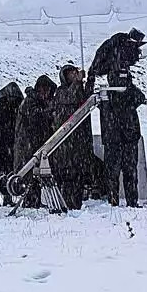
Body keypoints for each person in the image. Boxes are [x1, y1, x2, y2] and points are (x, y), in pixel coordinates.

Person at [49, 64, 94, 210]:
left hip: (80, 142)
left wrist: (90, 81)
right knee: (68, 175)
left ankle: (76, 203)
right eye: (71, 74)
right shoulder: (61, 92)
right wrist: (77, 83)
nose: (74, 76)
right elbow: (71, 99)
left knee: (78, 176)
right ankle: (67, 204)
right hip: (66, 144)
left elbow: (86, 99)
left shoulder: (77, 90)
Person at [99, 74, 146, 207]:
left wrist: (128, 87)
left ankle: (129, 201)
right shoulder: (107, 95)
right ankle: (116, 201)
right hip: (116, 139)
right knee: (116, 173)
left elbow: (141, 98)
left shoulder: (128, 93)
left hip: (123, 138)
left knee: (128, 172)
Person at [12, 75, 57, 208]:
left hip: (32, 145)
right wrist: (50, 111)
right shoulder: (30, 102)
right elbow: (36, 118)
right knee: (29, 174)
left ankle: (34, 200)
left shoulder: (35, 102)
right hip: (27, 145)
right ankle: (29, 200)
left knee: (35, 173)